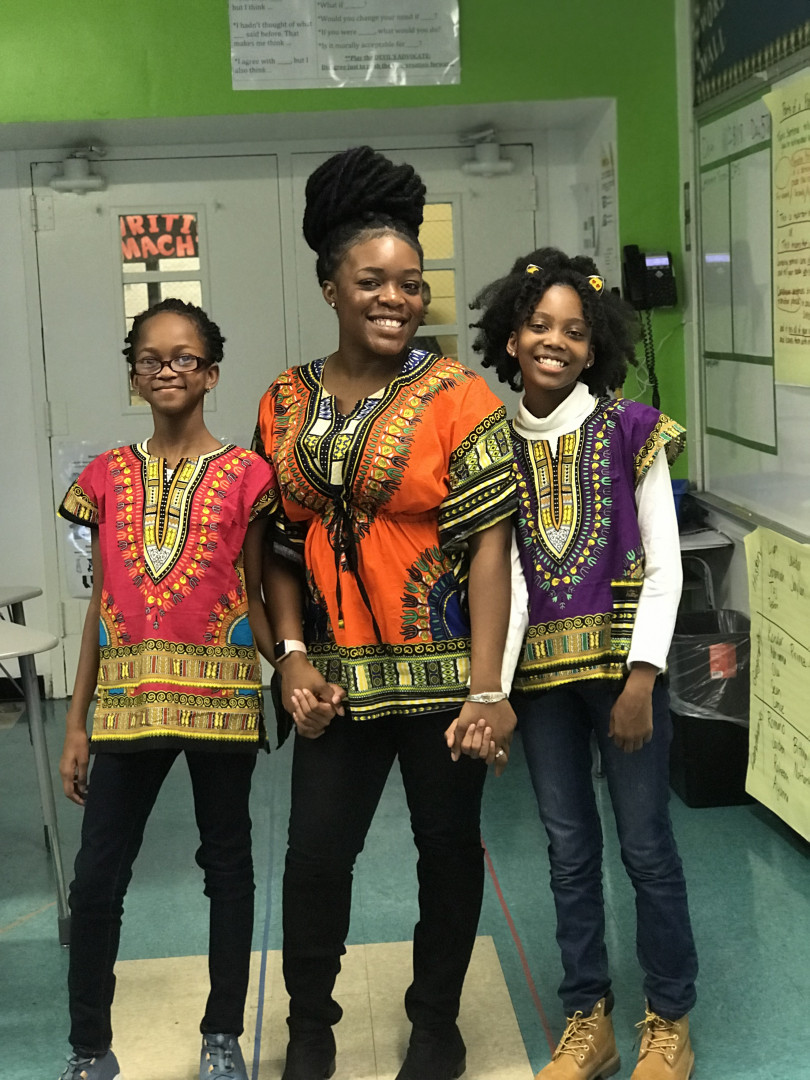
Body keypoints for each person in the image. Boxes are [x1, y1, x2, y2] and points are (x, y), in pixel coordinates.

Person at [253, 145, 518, 1080]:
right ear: (330, 287)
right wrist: (289, 656)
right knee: (316, 860)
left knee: (447, 852)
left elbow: (491, 551)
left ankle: (436, 1025)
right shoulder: (283, 401)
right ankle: (311, 1030)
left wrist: (488, 689)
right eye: (372, 281)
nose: (396, 298)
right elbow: (276, 544)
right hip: (334, 683)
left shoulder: (459, 397)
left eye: (411, 282)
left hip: (446, 685)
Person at [465, 249, 698, 1080]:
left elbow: (665, 567)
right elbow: (507, 578)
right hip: (542, 692)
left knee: (646, 846)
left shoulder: (633, 430)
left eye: (572, 330)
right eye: (538, 325)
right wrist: (494, 692)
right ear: (511, 338)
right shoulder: (495, 446)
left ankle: (669, 1019)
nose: (554, 342)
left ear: (594, 345)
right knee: (567, 852)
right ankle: (586, 1020)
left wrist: (642, 679)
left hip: (625, 681)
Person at [57, 298, 278, 1080]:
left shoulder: (250, 478)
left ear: (211, 374)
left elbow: (257, 591)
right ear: (135, 377)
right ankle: (89, 1048)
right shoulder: (104, 478)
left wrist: (292, 665)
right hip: (125, 707)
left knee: (228, 868)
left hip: (223, 703)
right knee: (96, 879)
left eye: (185, 357)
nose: (167, 370)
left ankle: (222, 1036)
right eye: (150, 359)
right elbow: (100, 606)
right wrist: (76, 723)